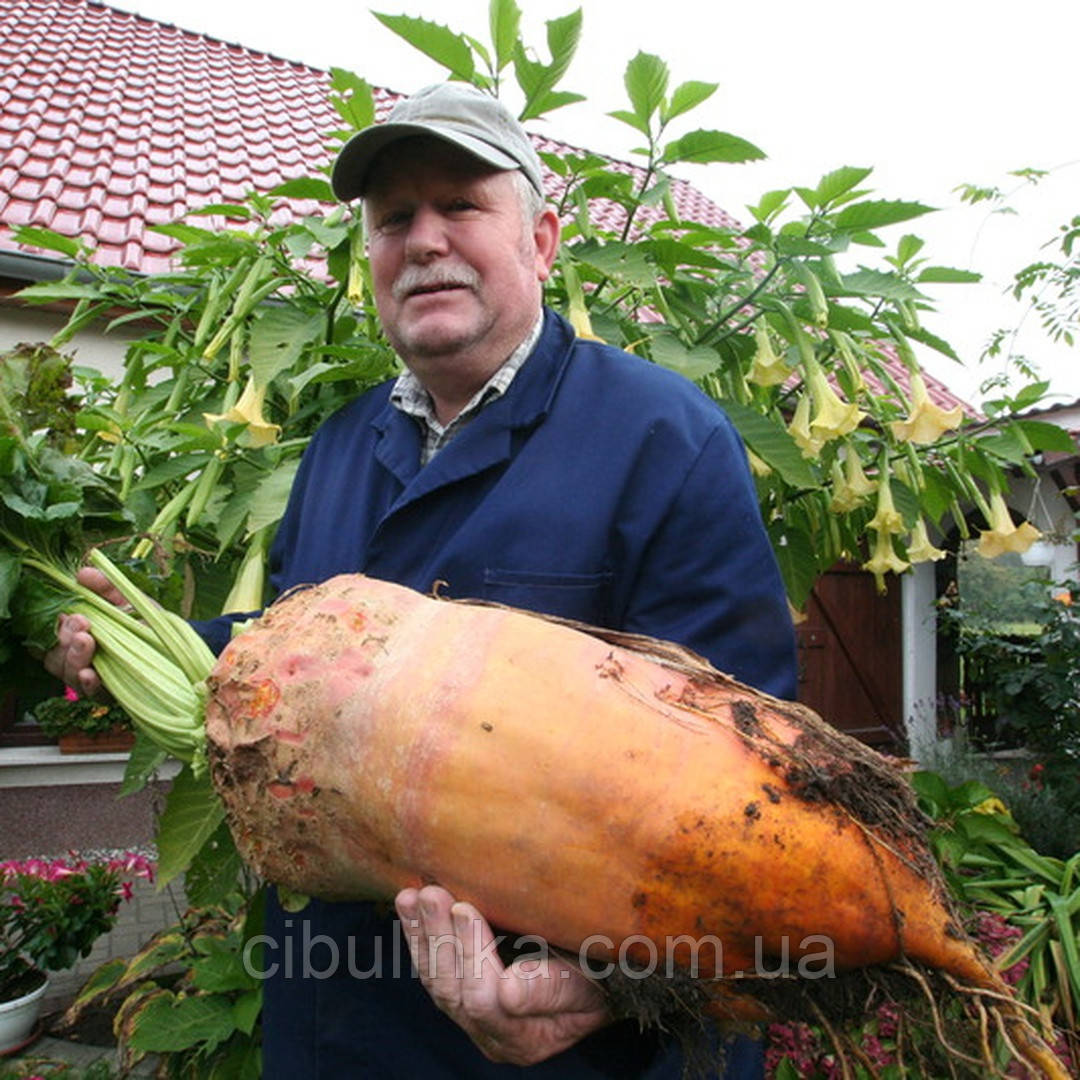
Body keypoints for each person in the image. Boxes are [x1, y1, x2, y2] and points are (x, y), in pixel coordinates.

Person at [48, 83, 797, 1078]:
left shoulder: (666, 439)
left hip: (549, 1050)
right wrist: (155, 642)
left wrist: (602, 989)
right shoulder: (339, 445)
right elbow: (310, 657)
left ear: (542, 241)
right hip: (331, 1024)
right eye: (395, 218)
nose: (426, 239)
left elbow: (749, 791)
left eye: (461, 205)